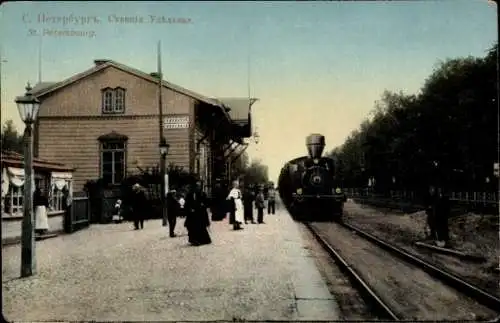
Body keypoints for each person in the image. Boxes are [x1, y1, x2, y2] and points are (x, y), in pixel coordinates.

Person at [185, 180, 212, 246]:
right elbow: (187, 204)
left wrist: (203, 205)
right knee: (192, 227)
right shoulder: (189, 194)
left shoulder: (202, 194)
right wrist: (190, 209)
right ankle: (193, 240)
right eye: (197, 186)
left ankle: (202, 240)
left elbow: (207, 203)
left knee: (200, 227)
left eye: (199, 186)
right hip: (192, 214)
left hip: (200, 214)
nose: (198, 187)